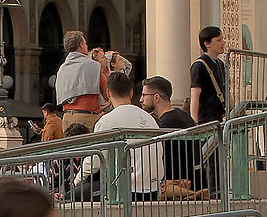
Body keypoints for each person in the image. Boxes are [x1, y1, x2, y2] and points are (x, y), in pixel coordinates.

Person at [93, 67, 161, 198]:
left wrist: (76, 180)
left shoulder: (106, 121)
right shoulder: (150, 119)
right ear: (131, 93)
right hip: (151, 187)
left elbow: (95, 160)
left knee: (70, 196)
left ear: (108, 93)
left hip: (123, 188)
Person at [142, 75, 200, 188]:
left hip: (177, 187)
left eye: (144, 95)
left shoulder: (165, 124)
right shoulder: (183, 116)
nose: (141, 99)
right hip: (192, 182)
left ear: (157, 97)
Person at [53, 32, 102, 134]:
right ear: (80, 45)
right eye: (85, 43)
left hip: (66, 117)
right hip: (87, 117)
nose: (87, 46)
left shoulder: (62, 69)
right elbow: (107, 91)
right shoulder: (93, 65)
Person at [188, 27, 228, 127]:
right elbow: (195, 94)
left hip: (220, 116)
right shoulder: (199, 65)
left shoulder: (220, 64)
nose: (222, 43)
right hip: (206, 119)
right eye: (218, 40)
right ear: (207, 44)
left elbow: (226, 89)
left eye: (222, 39)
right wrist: (195, 121)